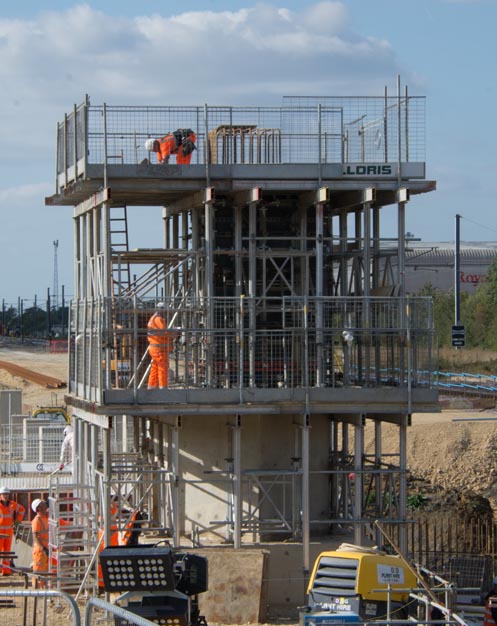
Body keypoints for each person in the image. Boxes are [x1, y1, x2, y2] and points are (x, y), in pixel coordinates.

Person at [147, 302, 178, 389]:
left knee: (155, 369)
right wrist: (173, 334)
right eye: (165, 311)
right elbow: (163, 333)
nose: (165, 313)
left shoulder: (152, 319)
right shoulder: (158, 319)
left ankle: (151, 388)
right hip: (160, 349)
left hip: (154, 348)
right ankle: (163, 390)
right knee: (162, 369)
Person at [0, 486, 26, 575]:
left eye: (6, 494)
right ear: (1, 495)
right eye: (4, 494)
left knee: (6, 552)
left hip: (8, 531)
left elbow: (22, 510)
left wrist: (17, 522)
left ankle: (6, 570)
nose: (5, 496)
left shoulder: (12, 504)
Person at [31, 498, 49, 587]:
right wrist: (43, 548)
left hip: (45, 549)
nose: (44, 503)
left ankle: (43, 591)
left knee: (44, 572)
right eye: (42, 503)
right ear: (38, 509)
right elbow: (35, 537)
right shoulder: (36, 520)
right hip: (40, 551)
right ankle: (36, 592)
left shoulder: (45, 517)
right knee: (38, 572)